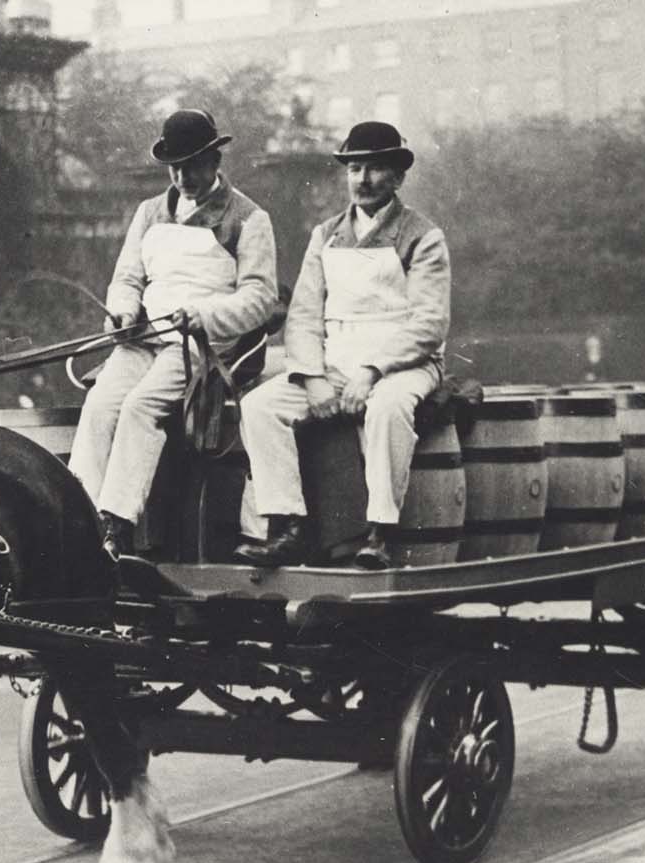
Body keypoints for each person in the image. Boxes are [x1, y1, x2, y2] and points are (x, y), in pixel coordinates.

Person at [234, 120, 450, 569]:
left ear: (397, 177)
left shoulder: (422, 236)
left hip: (404, 364)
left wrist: (372, 372)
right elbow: (304, 316)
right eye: (354, 169)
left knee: (388, 409)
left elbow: (429, 324)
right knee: (260, 408)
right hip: (335, 362)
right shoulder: (326, 235)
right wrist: (312, 377)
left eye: (374, 169)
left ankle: (378, 533)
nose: (363, 180)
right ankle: (286, 525)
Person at [67, 108, 279, 559]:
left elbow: (260, 298)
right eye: (175, 166)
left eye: (194, 165)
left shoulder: (248, 218)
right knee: (101, 405)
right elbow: (127, 279)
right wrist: (122, 315)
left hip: (200, 345)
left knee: (141, 407)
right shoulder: (149, 213)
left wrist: (203, 315)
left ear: (215, 161)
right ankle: (81, 515)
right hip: (145, 337)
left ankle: (117, 524)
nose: (183, 176)